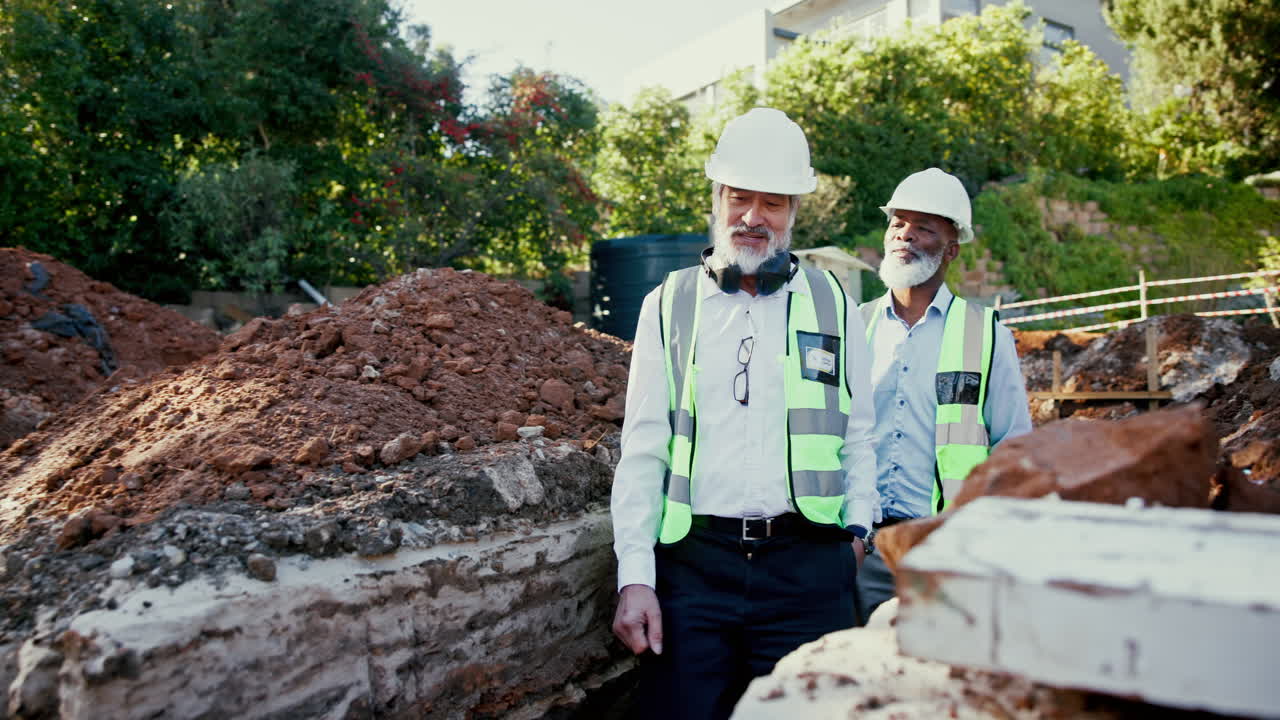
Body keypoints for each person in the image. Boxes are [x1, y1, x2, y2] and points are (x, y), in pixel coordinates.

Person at [609, 107, 879, 720]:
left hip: (808, 568)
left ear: (793, 214)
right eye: (739, 198)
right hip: (693, 572)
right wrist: (636, 576)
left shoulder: (834, 301)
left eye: (774, 203)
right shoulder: (668, 303)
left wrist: (856, 537)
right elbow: (644, 448)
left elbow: (859, 434)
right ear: (717, 198)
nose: (754, 217)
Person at [855, 168, 1033, 623]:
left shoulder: (987, 335)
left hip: (945, 544)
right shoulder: (853, 327)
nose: (905, 235)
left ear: (951, 249)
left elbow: (1011, 449)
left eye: (924, 228)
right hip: (859, 547)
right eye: (898, 223)